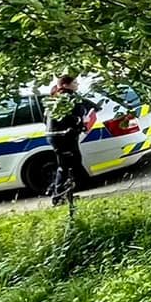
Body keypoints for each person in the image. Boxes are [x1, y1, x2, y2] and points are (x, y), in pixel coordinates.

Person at [43, 73, 94, 205]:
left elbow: (45, 119)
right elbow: (71, 117)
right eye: (75, 83)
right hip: (63, 136)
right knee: (65, 165)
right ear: (66, 85)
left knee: (70, 164)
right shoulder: (67, 98)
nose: (77, 85)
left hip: (57, 136)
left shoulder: (55, 98)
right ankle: (57, 196)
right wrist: (80, 121)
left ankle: (64, 192)